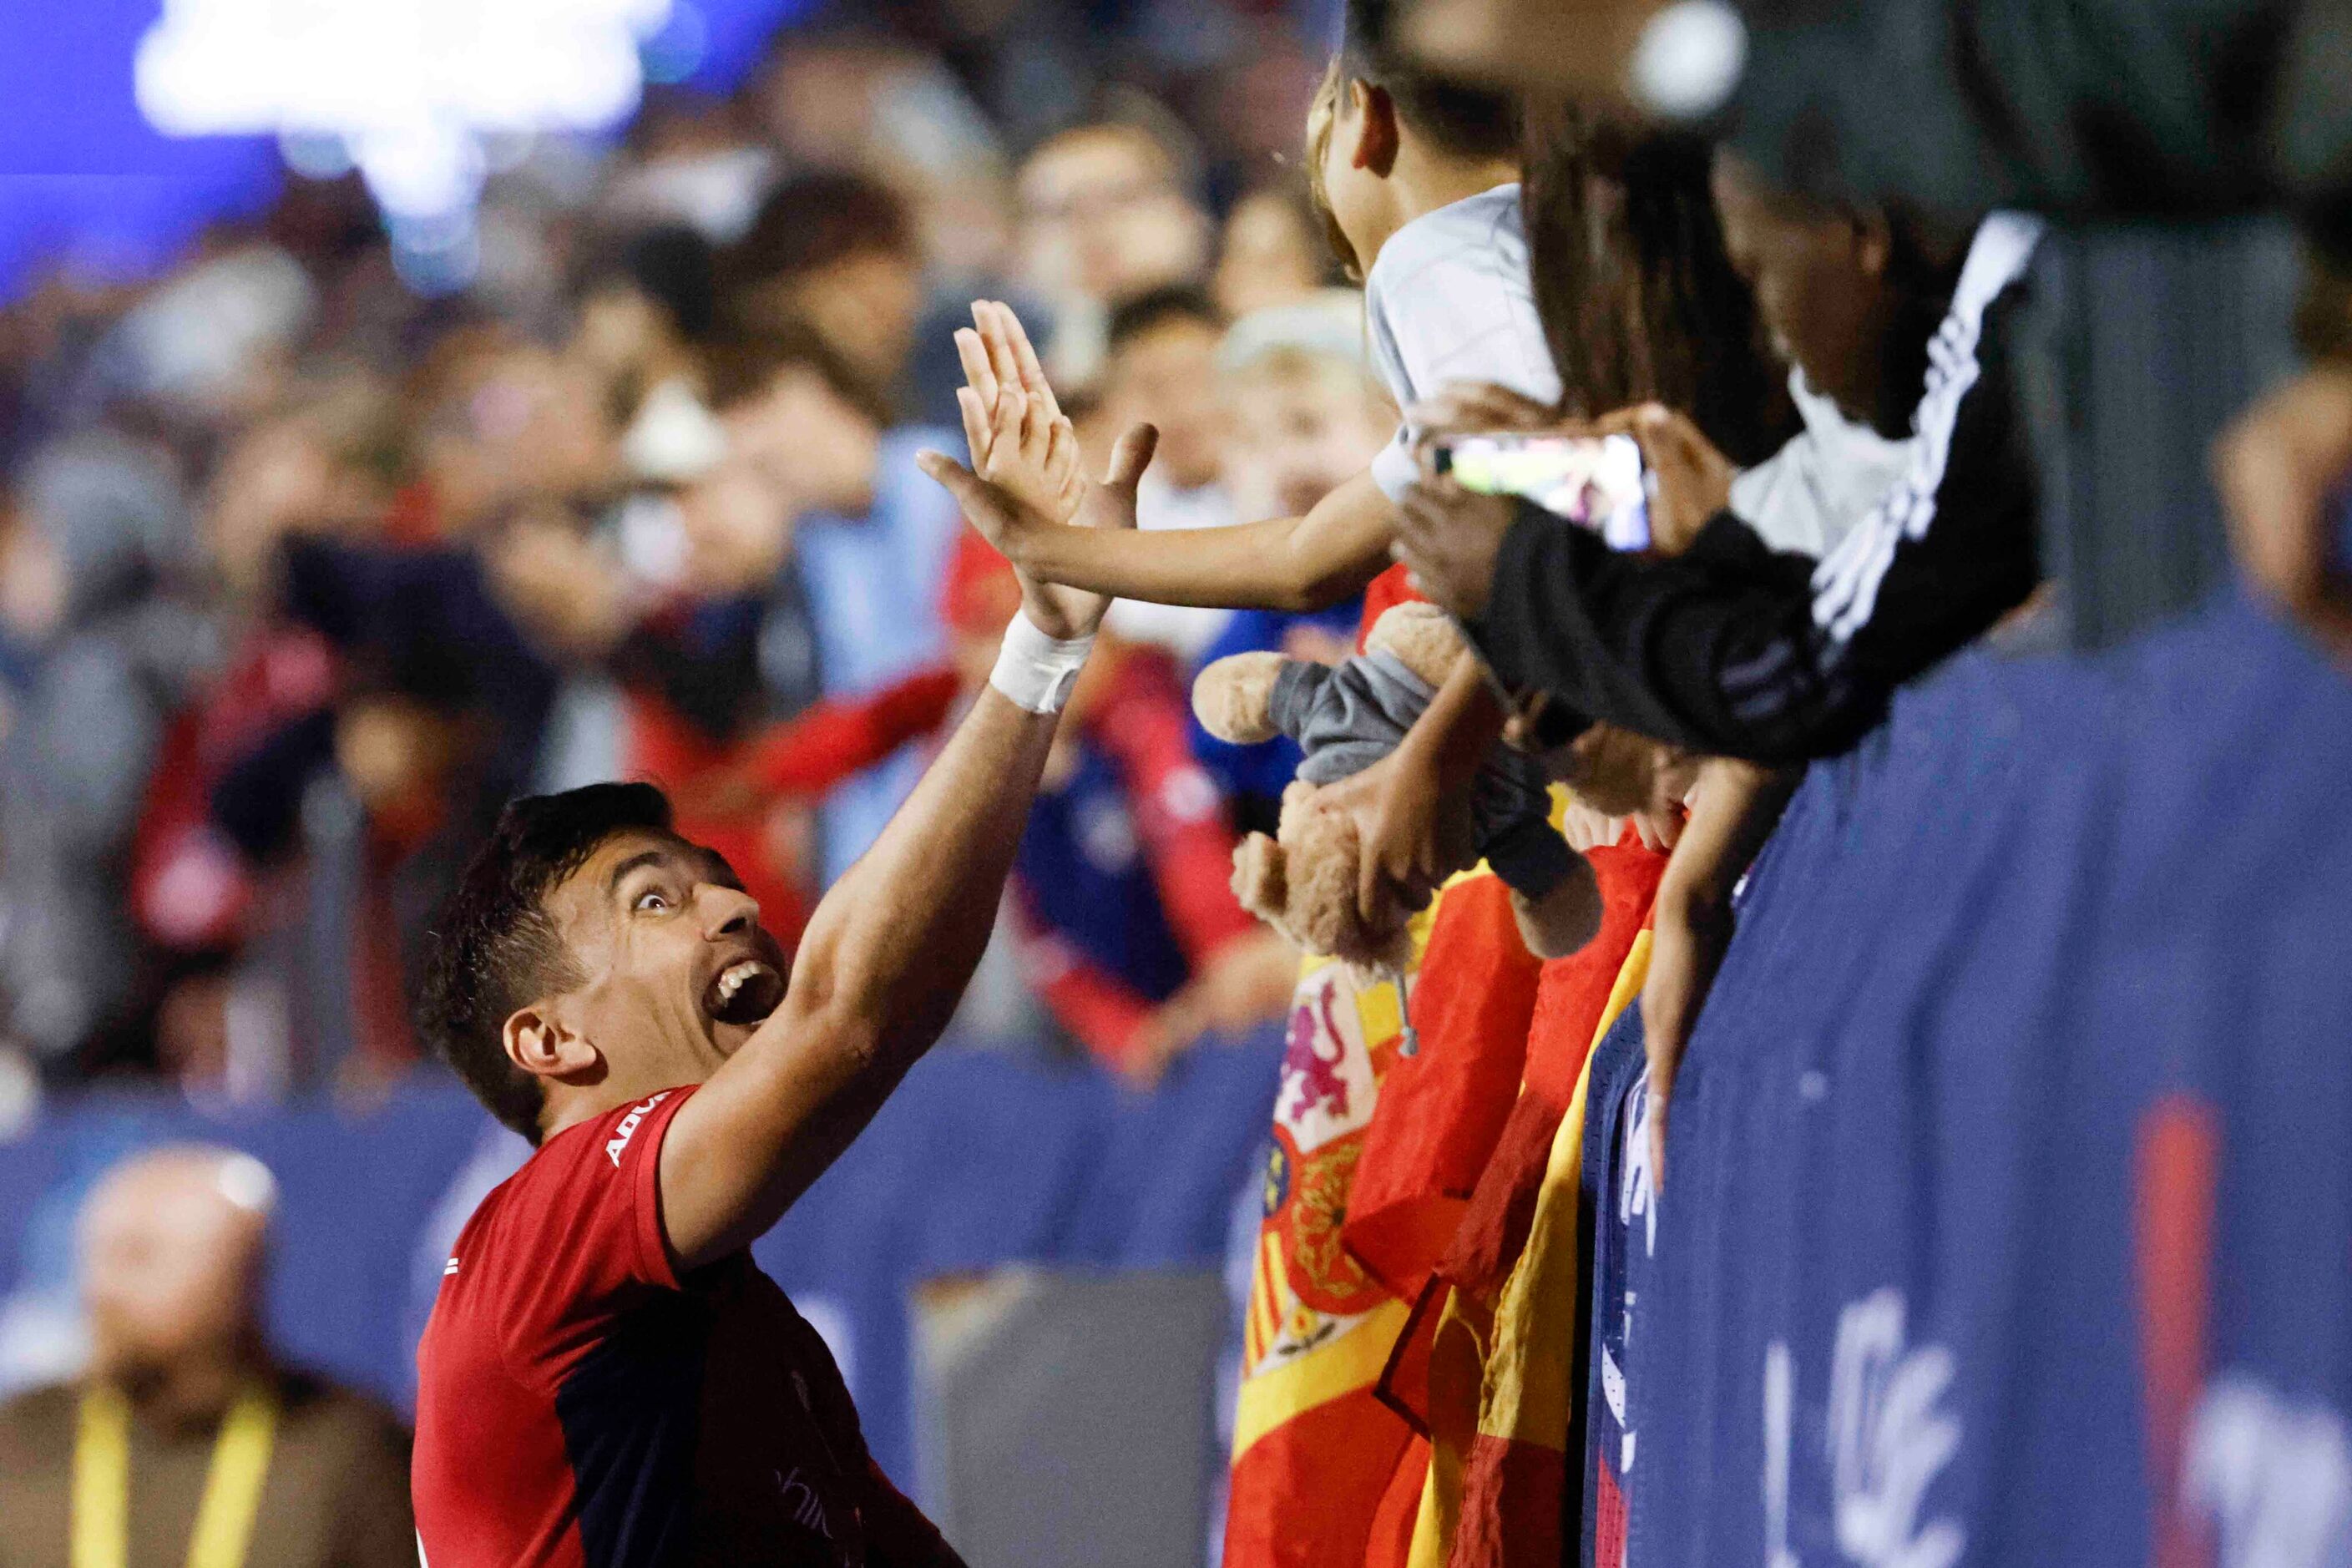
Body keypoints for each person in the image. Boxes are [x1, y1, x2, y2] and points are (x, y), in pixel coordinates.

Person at [407, 336, 1157, 1561]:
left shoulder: (758, 1341)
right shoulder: (539, 1233)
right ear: (549, 1038)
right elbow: (845, 1024)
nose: (733, 908)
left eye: (719, 880)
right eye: (656, 902)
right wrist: (1038, 648)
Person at [954, 0, 1540, 619]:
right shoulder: (1552, 237)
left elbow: (1310, 562)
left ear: (1367, 120)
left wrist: (1039, 544)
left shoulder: (1427, 256)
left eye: (1319, 152)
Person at [0, 1146, 416, 1568]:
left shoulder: (348, 1448)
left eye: (139, 1255)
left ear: (239, 1275)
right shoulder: (15, 1440)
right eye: (97, 1258)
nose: (103, 1290)